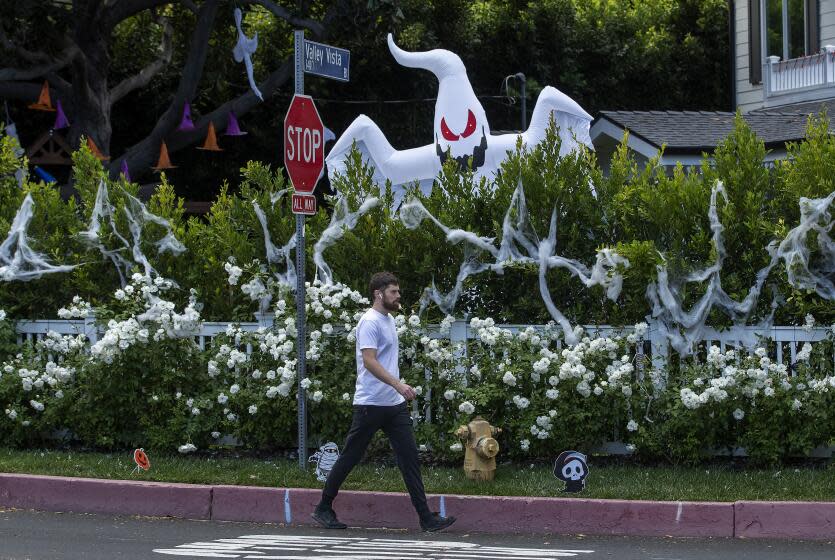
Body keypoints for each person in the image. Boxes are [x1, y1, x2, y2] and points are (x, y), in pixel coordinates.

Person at [312, 271, 457, 533]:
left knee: (409, 459)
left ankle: (425, 518)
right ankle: (323, 507)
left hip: (393, 406)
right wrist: (398, 385)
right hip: (370, 404)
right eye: (393, 292)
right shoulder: (369, 322)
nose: (398, 295)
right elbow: (369, 361)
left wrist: (396, 391)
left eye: (398, 291)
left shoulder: (388, 319)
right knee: (350, 457)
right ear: (378, 294)